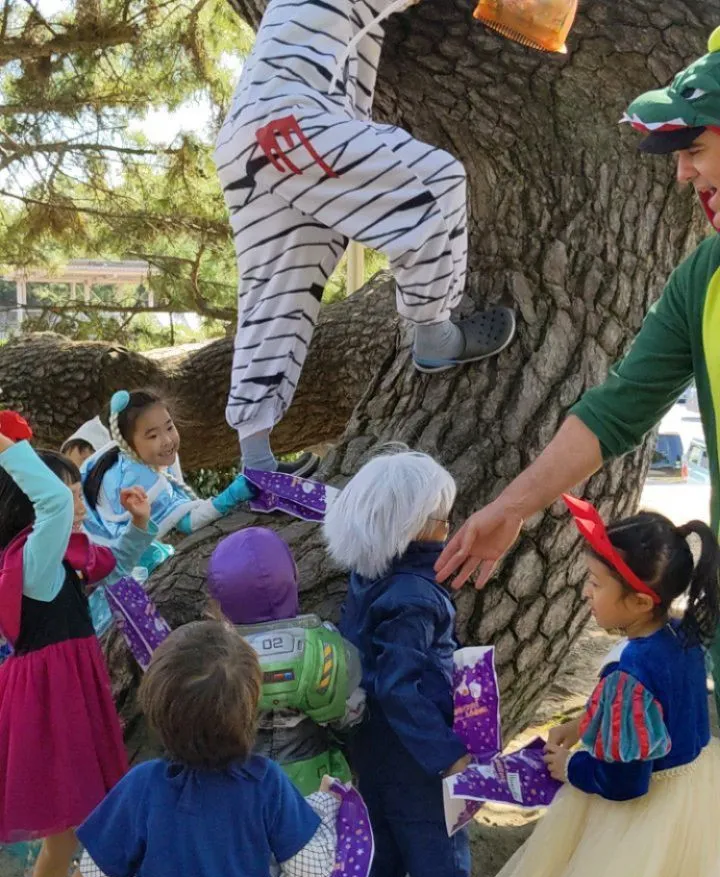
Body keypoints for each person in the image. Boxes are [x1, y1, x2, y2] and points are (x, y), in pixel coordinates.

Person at [436, 26, 720, 720]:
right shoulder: (701, 280)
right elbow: (613, 410)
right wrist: (511, 507)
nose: (682, 173)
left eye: (696, 149)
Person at [214, 0, 516, 477]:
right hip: (288, 122)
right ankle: (433, 331)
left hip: (244, 141)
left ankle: (255, 456)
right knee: (437, 184)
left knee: (274, 289)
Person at [478, 497, 720, 877]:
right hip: (693, 795)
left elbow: (625, 781)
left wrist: (570, 767)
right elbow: (663, 716)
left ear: (641, 602)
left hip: (641, 818)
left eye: (596, 582)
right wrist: (581, 725)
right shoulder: (682, 636)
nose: (585, 591)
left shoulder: (630, 678)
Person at [65, 620, 340, 877]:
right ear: (250, 707)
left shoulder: (141, 784)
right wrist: (324, 809)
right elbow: (310, 871)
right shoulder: (265, 781)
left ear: (155, 706)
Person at [0, 420, 155, 877]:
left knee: (70, 836)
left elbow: (116, 567)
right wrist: (11, 446)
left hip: (64, 696)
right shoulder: (34, 561)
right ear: (34, 505)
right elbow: (47, 503)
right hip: (53, 705)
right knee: (79, 831)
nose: (79, 502)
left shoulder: (64, 557)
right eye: (67, 494)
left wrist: (138, 527)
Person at [324, 450, 472, 877]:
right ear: (417, 528)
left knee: (379, 857)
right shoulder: (414, 597)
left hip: (373, 747)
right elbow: (397, 684)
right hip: (416, 759)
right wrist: (447, 755)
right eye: (442, 519)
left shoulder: (370, 578)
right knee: (442, 870)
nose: (448, 528)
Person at [208, 526, 361, 795]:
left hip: (238, 787)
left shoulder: (213, 658)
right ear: (292, 577)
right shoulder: (324, 645)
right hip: (314, 784)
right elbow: (349, 714)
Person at [82, 390, 255, 567]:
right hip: (111, 563)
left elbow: (179, 502)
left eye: (169, 427)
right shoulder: (137, 483)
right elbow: (188, 522)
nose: (167, 440)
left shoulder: (132, 455)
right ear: (128, 442)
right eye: (153, 436)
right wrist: (232, 495)